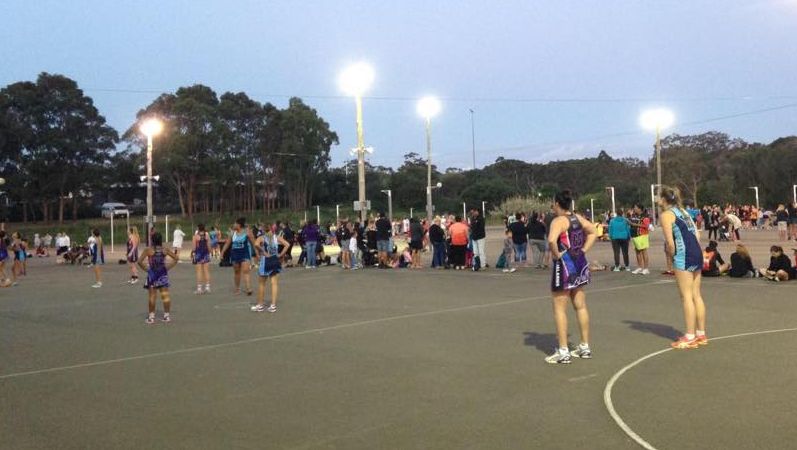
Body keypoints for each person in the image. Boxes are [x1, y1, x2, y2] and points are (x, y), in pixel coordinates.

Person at [545, 190, 596, 364]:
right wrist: (583, 250)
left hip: (565, 265)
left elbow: (552, 240)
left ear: (558, 204)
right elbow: (593, 232)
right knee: (580, 306)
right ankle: (584, 346)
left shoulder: (558, 221)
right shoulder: (578, 219)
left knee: (559, 308)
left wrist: (556, 254)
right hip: (580, 264)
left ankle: (563, 351)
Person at [659, 186, 707, 349]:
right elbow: (697, 234)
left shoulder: (666, 215)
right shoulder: (684, 212)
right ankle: (700, 333)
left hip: (683, 253)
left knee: (686, 296)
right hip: (696, 251)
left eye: (659, 198)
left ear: (664, 200)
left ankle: (690, 336)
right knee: (696, 295)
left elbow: (670, 243)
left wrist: (673, 258)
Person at [137, 232, 178, 324]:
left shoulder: (148, 250)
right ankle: (166, 316)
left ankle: (151, 317)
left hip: (152, 274)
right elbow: (176, 258)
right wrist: (168, 267)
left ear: (152, 240)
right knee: (165, 295)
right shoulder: (165, 250)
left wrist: (147, 269)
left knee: (152, 296)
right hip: (162, 274)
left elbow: (139, 261)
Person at [251, 225, 290, 313]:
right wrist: (280, 255)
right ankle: (273, 305)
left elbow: (256, 244)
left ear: (264, 230)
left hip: (266, 261)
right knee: (274, 283)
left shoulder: (262, 238)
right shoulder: (277, 237)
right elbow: (287, 244)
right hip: (275, 260)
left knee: (262, 284)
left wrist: (263, 251)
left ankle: (260, 305)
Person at [219, 218, 258, 295]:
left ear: (239, 225)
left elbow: (254, 243)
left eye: (235, 223)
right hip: (235, 254)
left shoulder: (247, 232)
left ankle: (248, 288)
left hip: (244, 254)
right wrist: (222, 252)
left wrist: (257, 253)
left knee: (246, 271)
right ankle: (237, 288)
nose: (233, 225)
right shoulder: (232, 233)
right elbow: (227, 244)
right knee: (237, 272)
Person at [629, 205, 651, 275]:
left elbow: (646, 226)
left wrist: (635, 224)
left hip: (642, 235)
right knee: (637, 251)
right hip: (635, 236)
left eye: (635, 208)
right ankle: (639, 267)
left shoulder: (645, 217)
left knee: (644, 251)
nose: (634, 209)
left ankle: (646, 268)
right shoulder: (634, 216)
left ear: (640, 209)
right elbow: (632, 223)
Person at [192, 224, 212, 294]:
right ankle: (207, 287)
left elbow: (194, 247)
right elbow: (209, 246)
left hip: (198, 254)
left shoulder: (195, 236)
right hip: (206, 254)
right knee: (206, 271)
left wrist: (193, 254)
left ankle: (199, 288)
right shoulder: (207, 236)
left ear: (198, 229)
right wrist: (210, 253)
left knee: (199, 272)